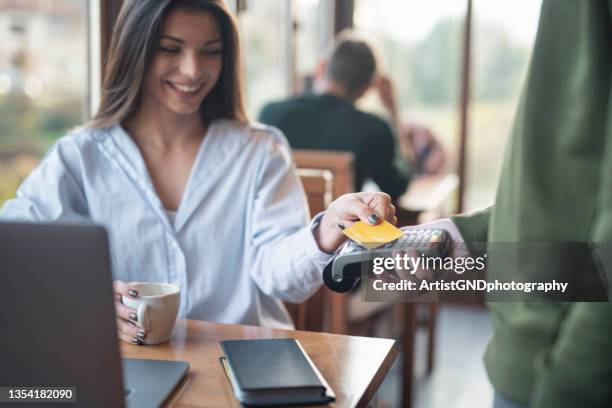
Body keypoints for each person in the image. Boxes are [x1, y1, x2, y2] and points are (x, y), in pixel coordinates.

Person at [0, 0, 396, 345]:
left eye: (211, 52)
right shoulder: (80, 156)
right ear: (135, 51)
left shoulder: (260, 150)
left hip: (243, 360)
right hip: (122, 364)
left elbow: (282, 279)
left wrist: (325, 230)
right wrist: (87, 297)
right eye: (170, 49)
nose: (192, 71)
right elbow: (19, 253)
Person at [413, 1, 612, 406]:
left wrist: (571, 384)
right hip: (531, 354)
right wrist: (460, 234)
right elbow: (561, 187)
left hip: (559, 369)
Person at [259, 34, 410, 202]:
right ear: (368, 88)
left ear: (321, 67)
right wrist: (393, 112)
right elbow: (396, 188)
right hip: (339, 227)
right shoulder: (375, 129)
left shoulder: (270, 114)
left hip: (278, 225)